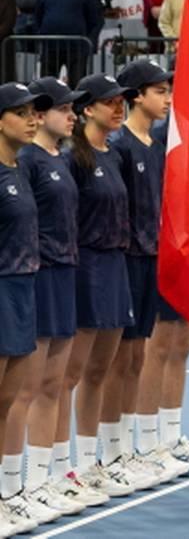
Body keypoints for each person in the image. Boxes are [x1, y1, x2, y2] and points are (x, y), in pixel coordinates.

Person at [8, 79, 105, 517]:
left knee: (52, 384)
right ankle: (18, 485)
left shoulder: (62, 160)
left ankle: (44, 478)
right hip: (35, 277)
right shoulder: (25, 161)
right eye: (62, 109)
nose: (71, 115)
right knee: (25, 389)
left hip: (63, 274)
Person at [108, 60, 189, 491]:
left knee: (136, 357)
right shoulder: (120, 146)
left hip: (153, 259)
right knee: (116, 361)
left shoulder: (158, 145)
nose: (167, 99)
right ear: (136, 97)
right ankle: (112, 453)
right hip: (124, 262)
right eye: (160, 92)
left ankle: (135, 449)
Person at [60, 74, 141, 499]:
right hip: (86, 267)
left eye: (121, 101)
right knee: (70, 374)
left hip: (117, 265)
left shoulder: (116, 154)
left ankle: (91, 461)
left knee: (101, 370)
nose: (118, 108)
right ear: (86, 109)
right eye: (108, 102)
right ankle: (61, 468)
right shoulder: (74, 157)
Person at [0, 83, 53, 533]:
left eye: (35, 113)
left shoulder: (19, 170)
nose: (34, 119)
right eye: (22, 113)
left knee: (7, 401)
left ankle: (6, 494)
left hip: (22, 290)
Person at [35, 0, 100, 86]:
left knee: (77, 87)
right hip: (50, 47)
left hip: (77, 49)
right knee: (47, 87)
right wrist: (41, 36)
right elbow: (38, 17)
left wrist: (88, 42)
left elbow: (95, 20)